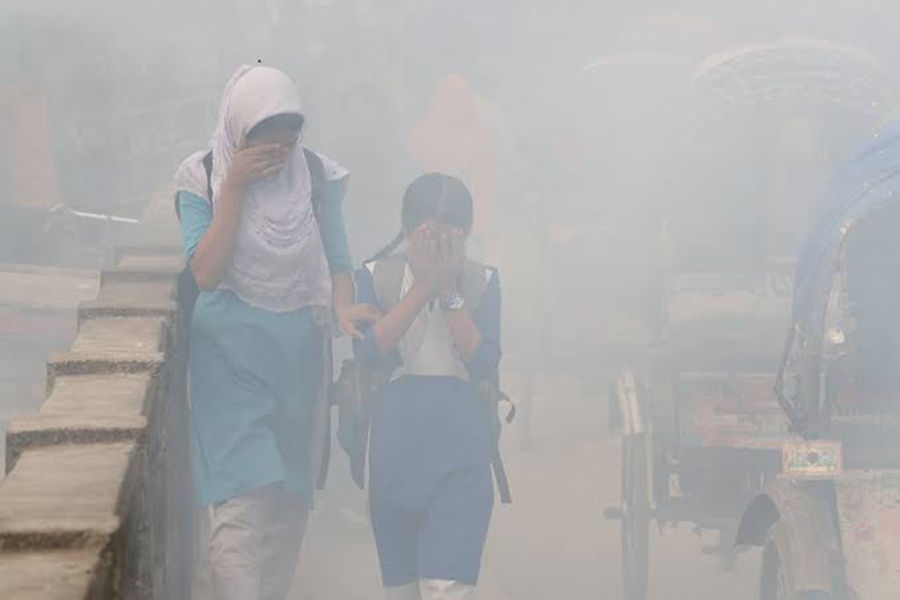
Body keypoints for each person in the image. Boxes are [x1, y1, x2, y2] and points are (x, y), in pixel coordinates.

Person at [173, 65, 377, 600]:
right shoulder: (200, 176)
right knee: (240, 498)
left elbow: (337, 258)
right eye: (265, 134)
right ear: (239, 131)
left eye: (289, 132)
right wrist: (234, 187)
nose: (279, 147)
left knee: (289, 499)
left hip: (300, 355)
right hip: (228, 355)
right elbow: (205, 272)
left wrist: (342, 306)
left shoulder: (315, 173)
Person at [353, 173, 502, 600]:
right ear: (407, 232)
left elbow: (483, 362)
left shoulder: (483, 281)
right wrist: (422, 287)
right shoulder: (375, 277)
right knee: (401, 591)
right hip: (395, 455)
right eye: (427, 237)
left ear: (466, 233)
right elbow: (371, 354)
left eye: (448, 238)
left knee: (447, 588)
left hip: (461, 454)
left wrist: (450, 291)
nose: (437, 249)